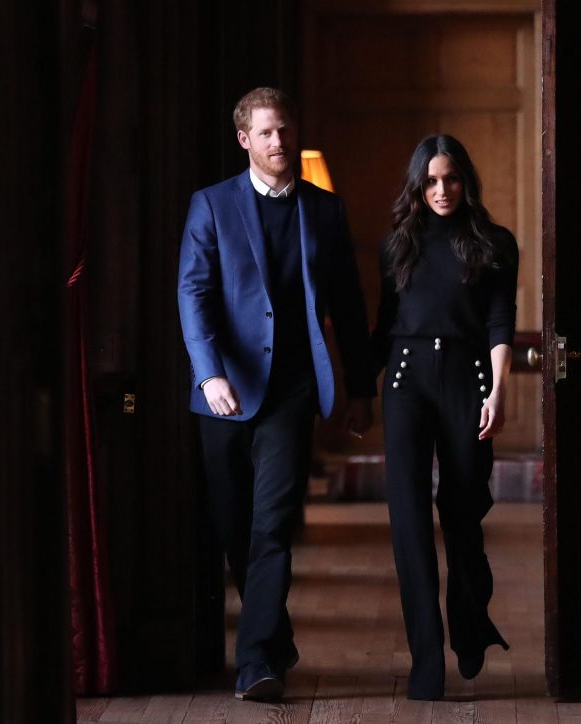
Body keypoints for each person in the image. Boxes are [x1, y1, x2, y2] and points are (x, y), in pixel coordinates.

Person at [177, 87, 375, 702]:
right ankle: (275, 633)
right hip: (224, 393)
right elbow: (194, 294)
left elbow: (347, 302)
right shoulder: (210, 205)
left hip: (291, 391)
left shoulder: (325, 210)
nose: (278, 143)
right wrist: (210, 374)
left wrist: (360, 388)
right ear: (244, 140)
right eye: (265, 133)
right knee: (234, 526)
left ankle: (258, 662)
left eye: (285, 130)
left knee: (271, 528)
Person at [371, 134, 518, 700]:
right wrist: (358, 389)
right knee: (408, 524)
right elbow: (385, 324)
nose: (441, 190)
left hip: (468, 379)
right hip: (406, 382)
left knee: (463, 512)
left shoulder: (495, 243)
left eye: (451, 179)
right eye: (430, 181)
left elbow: (500, 321)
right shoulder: (396, 246)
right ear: (416, 184)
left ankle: (470, 617)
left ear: (466, 181)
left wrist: (498, 392)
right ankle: (426, 662)